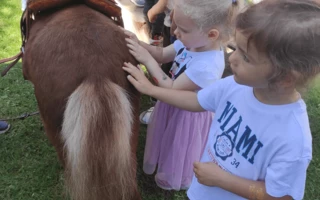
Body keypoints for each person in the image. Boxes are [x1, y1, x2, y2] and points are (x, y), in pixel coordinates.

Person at [123, 0, 320, 199]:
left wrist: (221, 179)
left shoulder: (293, 138)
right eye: (237, 49)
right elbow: (196, 102)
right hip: (202, 191)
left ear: (285, 77)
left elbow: (281, 196)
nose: (231, 59)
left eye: (246, 57)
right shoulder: (234, 86)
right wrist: (152, 90)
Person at [123, 0, 238, 191]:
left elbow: (171, 86)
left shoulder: (207, 66)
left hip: (186, 117)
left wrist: (146, 60)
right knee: (164, 135)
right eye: (175, 23)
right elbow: (161, 54)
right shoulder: (192, 43)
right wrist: (140, 44)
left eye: (182, 29)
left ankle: (172, 176)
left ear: (211, 34)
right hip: (170, 105)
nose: (175, 32)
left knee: (177, 145)